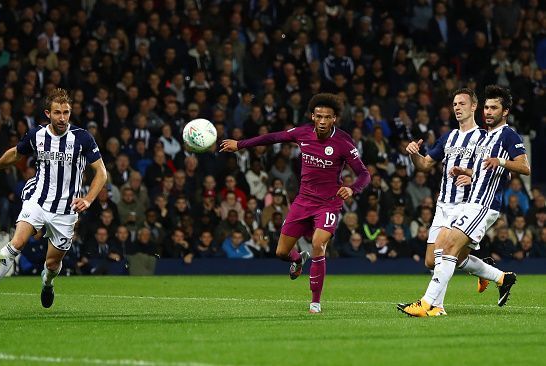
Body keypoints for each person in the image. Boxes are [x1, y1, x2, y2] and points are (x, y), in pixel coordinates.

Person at [220, 93, 371, 313]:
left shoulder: (343, 142)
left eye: (326, 117)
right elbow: (272, 137)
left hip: (328, 204)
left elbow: (364, 174)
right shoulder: (302, 133)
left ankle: (315, 302)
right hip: (303, 202)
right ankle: (298, 260)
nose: (321, 121)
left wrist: (352, 188)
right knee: (281, 252)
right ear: (312, 116)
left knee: (318, 244)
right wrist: (240, 144)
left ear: (334, 119)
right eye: (318, 116)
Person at [0, 88, 107, 313]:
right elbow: (16, 153)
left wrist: (88, 199)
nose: (62, 118)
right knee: (16, 243)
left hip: (65, 210)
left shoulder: (82, 138)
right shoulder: (36, 135)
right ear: (48, 113)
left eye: (66, 113)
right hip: (37, 200)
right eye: (58, 113)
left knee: (51, 264)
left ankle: (47, 282)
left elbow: (101, 173)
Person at [399, 85, 530, 317]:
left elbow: (510, 170)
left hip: (471, 204)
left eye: (462, 103)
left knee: (447, 250)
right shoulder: (450, 137)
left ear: (473, 106)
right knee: (433, 260)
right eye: (454, 104)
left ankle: (431, 305)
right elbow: (425, 165)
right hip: (446, 204)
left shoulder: (487, 135)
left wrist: (493, 166)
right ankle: (496, 276)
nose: (457, 108)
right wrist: (413, 154)